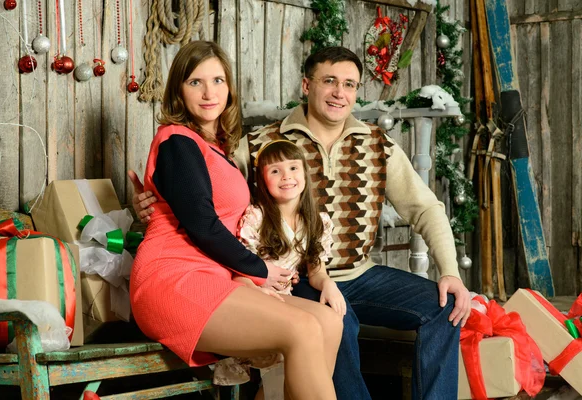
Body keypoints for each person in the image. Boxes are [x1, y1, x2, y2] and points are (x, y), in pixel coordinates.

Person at [131, 46, 471, 400]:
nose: (340, 92)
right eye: (329, 81)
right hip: (298, 275)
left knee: (444, 306)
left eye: (350, 85)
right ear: (307, 86)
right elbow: (204, 202)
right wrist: (153, 204)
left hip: (358, 274)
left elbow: (426, 208)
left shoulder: (377, 144)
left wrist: (450, 270)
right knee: (334, 318)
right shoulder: (261, 143)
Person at [129, 40, 342, 400]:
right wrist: (260, 269)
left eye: (218, 81)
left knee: (328, 322)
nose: (209, 92)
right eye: (195, 82)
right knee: (303, 328)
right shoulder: (177, 142)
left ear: (229, 88)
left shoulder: (217, 147)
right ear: (178, 90)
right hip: (175, 279)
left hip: (217, 276)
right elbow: (201, 225)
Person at [214, 140, 347, 397]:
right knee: (284, 364)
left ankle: (312, 390)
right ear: (263, 180)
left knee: (331, 322)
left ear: (305, 174)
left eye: (294, 168)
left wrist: (328, 284)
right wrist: (259, 291)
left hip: (284, 297)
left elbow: (317, 270)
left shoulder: (316, 221)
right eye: (275, 171)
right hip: (254, 295)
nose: (286, 176)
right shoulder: (257, 217)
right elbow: (240, 276)